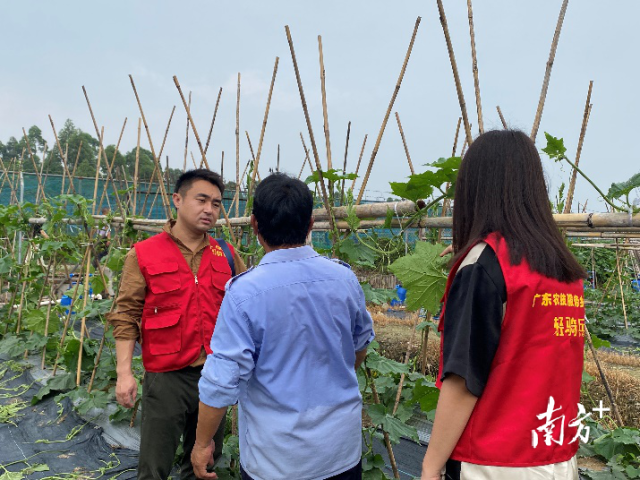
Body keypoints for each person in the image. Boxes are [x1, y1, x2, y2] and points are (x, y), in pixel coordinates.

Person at [421, 130, 587, 480]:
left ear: (475, 190)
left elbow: (463, 382)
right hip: (554, 457)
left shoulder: (484, 266)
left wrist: (431, 466)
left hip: (493, 463)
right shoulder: (563, 269)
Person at [191, 173, 374, 480]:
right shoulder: (343, 279)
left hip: (278, 458)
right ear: (310, 225)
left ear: (254, 225)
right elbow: (359, 348)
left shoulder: (245, 292)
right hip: (340, 451)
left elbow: (222, 381)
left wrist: (201, 444)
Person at [107, 169, 245, 480]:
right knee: (154, 466)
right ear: (178, 200)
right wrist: (124, 372)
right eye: (201, 200)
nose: (209, 209)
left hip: (215, 375)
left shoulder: (225, 254)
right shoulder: (143, 254)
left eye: (216, 203)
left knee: (205, 464)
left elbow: (246, 306)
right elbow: (127, 314)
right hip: (166, 377)